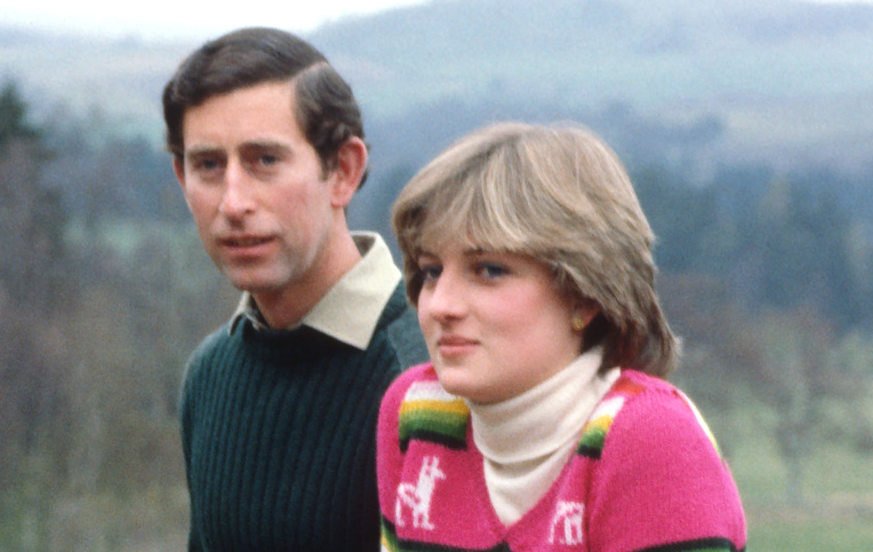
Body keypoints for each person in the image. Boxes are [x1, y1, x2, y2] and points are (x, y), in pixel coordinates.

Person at [378, 122, 747, 551]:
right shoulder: (416, 412)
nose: (441, 304)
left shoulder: (651, 440)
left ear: (583, 296)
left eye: (489, 271)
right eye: (431, 271)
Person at [163, 27, 428, 551]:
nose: (233, 202)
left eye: (265, 160)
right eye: (208, 165)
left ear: (344, 171)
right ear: (180, 175)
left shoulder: (432, 381)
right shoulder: (210, 374)